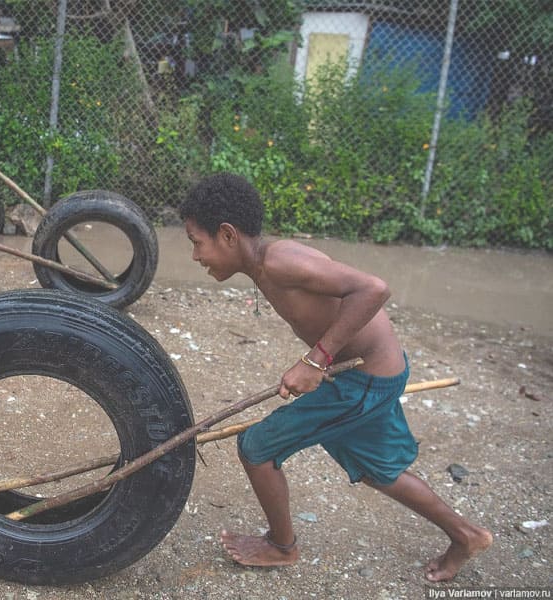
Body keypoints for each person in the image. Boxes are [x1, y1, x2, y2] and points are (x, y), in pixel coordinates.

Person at [179, 173, 492, 582]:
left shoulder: (280, 261)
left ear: (227, 235)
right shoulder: (266, 264)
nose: (195, 256)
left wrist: (315, 362)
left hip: (364, 379)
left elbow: (374, 289)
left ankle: (282, 546)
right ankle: (467, 535)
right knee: (381, 470)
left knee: (257, 447)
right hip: (373, 372)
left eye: (196, 243)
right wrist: (320, 361)